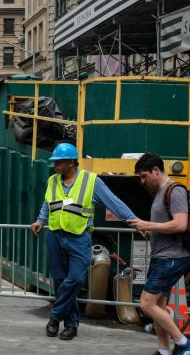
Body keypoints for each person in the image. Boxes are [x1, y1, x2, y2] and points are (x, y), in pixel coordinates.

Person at [30, 143, 138, 340]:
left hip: (79, 238)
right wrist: (40, 220)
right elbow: (48, 203)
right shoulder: (53, 180)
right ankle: (71, 325)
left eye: (58, 163)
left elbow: (113, 202)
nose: (55, 166)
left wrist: (135, 221)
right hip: (54, 236)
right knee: (61, 282)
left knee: (77, 279)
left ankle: (55, 317)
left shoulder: (91, 181)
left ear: (71, 162)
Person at [128, 153, 190, 355]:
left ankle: (183, 342)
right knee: (159, 305)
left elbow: (180, 224)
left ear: (156, 170)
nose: (142, 181)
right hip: (163, 257)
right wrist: (151, 231)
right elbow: (168, 225)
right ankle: (164, 351)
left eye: (144, 176)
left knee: (146, 303)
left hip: (172, 258)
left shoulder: (174, 191)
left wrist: (147, 225)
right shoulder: (160, 192)